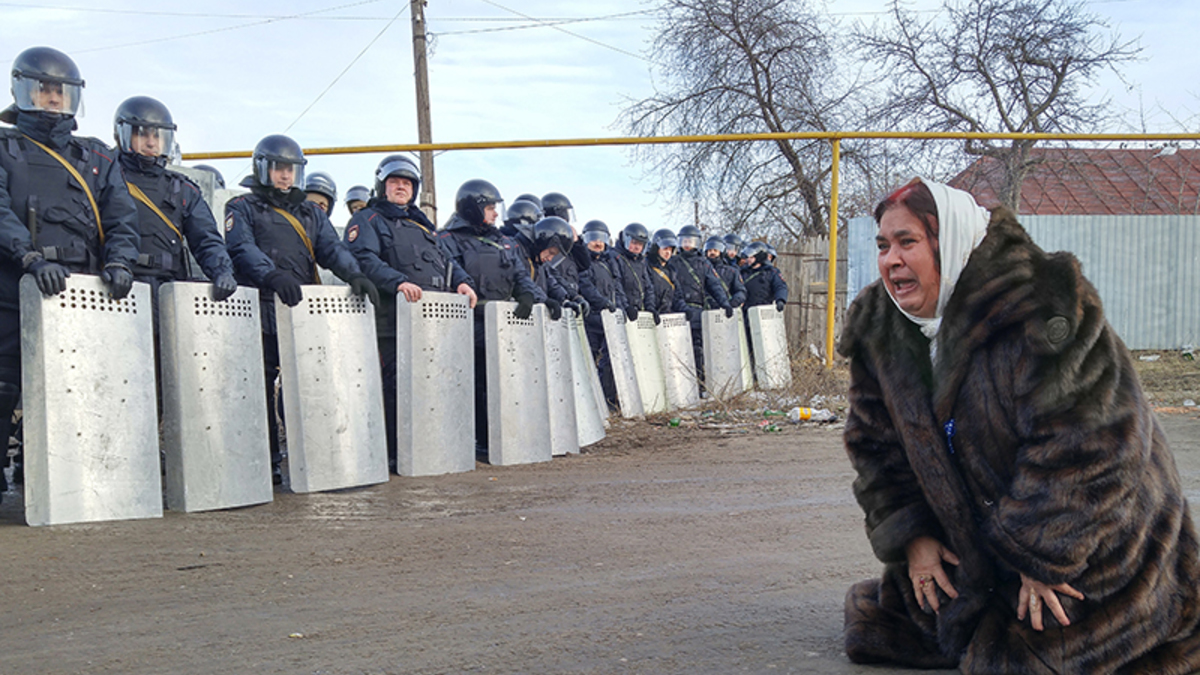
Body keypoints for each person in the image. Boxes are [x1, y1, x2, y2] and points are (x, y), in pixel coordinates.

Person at [839, 178, 1200, 674]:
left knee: (1023, 660)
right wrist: (914, 539)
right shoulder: (882, 326)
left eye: (908, 242)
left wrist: (1041, 555)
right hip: (985, 542)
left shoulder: (1045, 304)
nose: (891, 260)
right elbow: (874, 444)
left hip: (1099, 535)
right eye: (883, 246)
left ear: (953, 240)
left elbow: (1092, 445)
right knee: (887, 629)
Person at [0, 46, 141, 498]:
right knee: (5, 387)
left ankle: (76, 484)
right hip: (15, 287)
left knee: (82, 388)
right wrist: (29, 258)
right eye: (44, 90)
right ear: (24, 90)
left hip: (84, 293)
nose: (53, 99)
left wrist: (120, 261)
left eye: (60, 91)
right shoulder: (5, 149)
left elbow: (122, 217)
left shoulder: (96, 157)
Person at [225, 133, 378, 484]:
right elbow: (241, 248)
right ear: (263, 169)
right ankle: (266, 461)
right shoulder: (241, 207)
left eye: (291, 170)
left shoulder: (310, 212)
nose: (284, 176)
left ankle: (314, 453)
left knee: (308, 383)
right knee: (260, 388)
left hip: (302, 310)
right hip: (261, 306)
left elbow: (332, 250)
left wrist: (355, 275)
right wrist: (271, 275)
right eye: (278, 169)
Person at [343, 154, 476, 473]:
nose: (401, 187)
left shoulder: (422, 225)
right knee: (393, 385)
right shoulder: (368, 220)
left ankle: (429, 446)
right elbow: (362, 258)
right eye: (394, 182)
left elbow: (446, 262)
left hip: (432, 321)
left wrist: (463, 283)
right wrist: (398, 281)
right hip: (390, 320)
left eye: (407, 183)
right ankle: (391, 452)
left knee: (432, 383)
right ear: (382, 186)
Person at [437, 179, 540, 459]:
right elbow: (454, 274)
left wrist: (530, 296)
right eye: (490, 207)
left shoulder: (503, 242)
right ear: (473, 208)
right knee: (476, 384)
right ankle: (477, 439)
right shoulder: (447, 240)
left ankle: (498, 437)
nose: (496, 213)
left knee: (502, 383)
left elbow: (520, 276)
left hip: (502, 325)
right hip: (468, 325)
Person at [113, 96, 236, 298]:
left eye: (158, 136)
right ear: (124, 135)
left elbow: (206, 238)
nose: (151, 143)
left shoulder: (182, 189)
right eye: (142, 134)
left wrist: (222, 270)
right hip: (119, 284)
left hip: (168, 290)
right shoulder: (106, 178)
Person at [668, 225, 732, 389]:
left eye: (690, 241)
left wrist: (725, 303)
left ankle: (698, 384)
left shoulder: (703, 264)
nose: (687, 244)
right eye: (684, 241)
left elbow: (715, 285)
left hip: (696, 311)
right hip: (675, 311)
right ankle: (678, 386)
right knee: (675, 350)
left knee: (697, 350)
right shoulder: (673, 262)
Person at [579, 220, 626, 410]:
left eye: (601, 239)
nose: (597, 243)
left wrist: (622, 307)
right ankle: (588, 403)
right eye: (593, 239)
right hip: (592, 318)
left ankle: (608, 401)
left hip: (609, 318)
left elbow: (617, 288)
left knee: (609, 363)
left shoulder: (609, 263)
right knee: (588, 360)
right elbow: (586, 287)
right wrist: (603, 303)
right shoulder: (583, 262)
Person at [614, 222, 656, 322]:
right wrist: (626, 307)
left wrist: (650, 307)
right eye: (634, 243)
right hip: (624, 313)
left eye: (640, 244)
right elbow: (617, 285)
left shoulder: (641, 263)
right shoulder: (616, 258)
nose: (637, 247)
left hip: (640, 312)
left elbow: (648, 287)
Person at [646, 228, 683, 321]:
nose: (668, 252)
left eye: (670, 249)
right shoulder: (647, 267)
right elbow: (647, 291)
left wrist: (684, 308)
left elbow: (677, 296)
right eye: (665, 248)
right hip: (652, 317)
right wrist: (651, 309)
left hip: (667, 317)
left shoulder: (671, 270)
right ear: (656, 248)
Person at [740, 241, 787, 312]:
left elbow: (780, 286)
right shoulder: (743, 272)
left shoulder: (771, 272)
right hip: (745, 310)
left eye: (752, 257)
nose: (749, 260)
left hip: (763, 310)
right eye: (748, 257)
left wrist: (780, 300)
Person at [705, 236, 747, 310]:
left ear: (721, 252)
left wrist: (733, 302)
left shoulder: (731, 271)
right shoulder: (701, 269)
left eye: (715, 250)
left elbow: (740, 291)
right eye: (710, 250)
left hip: (725, 309)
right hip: (704, 309)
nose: (712, 252)